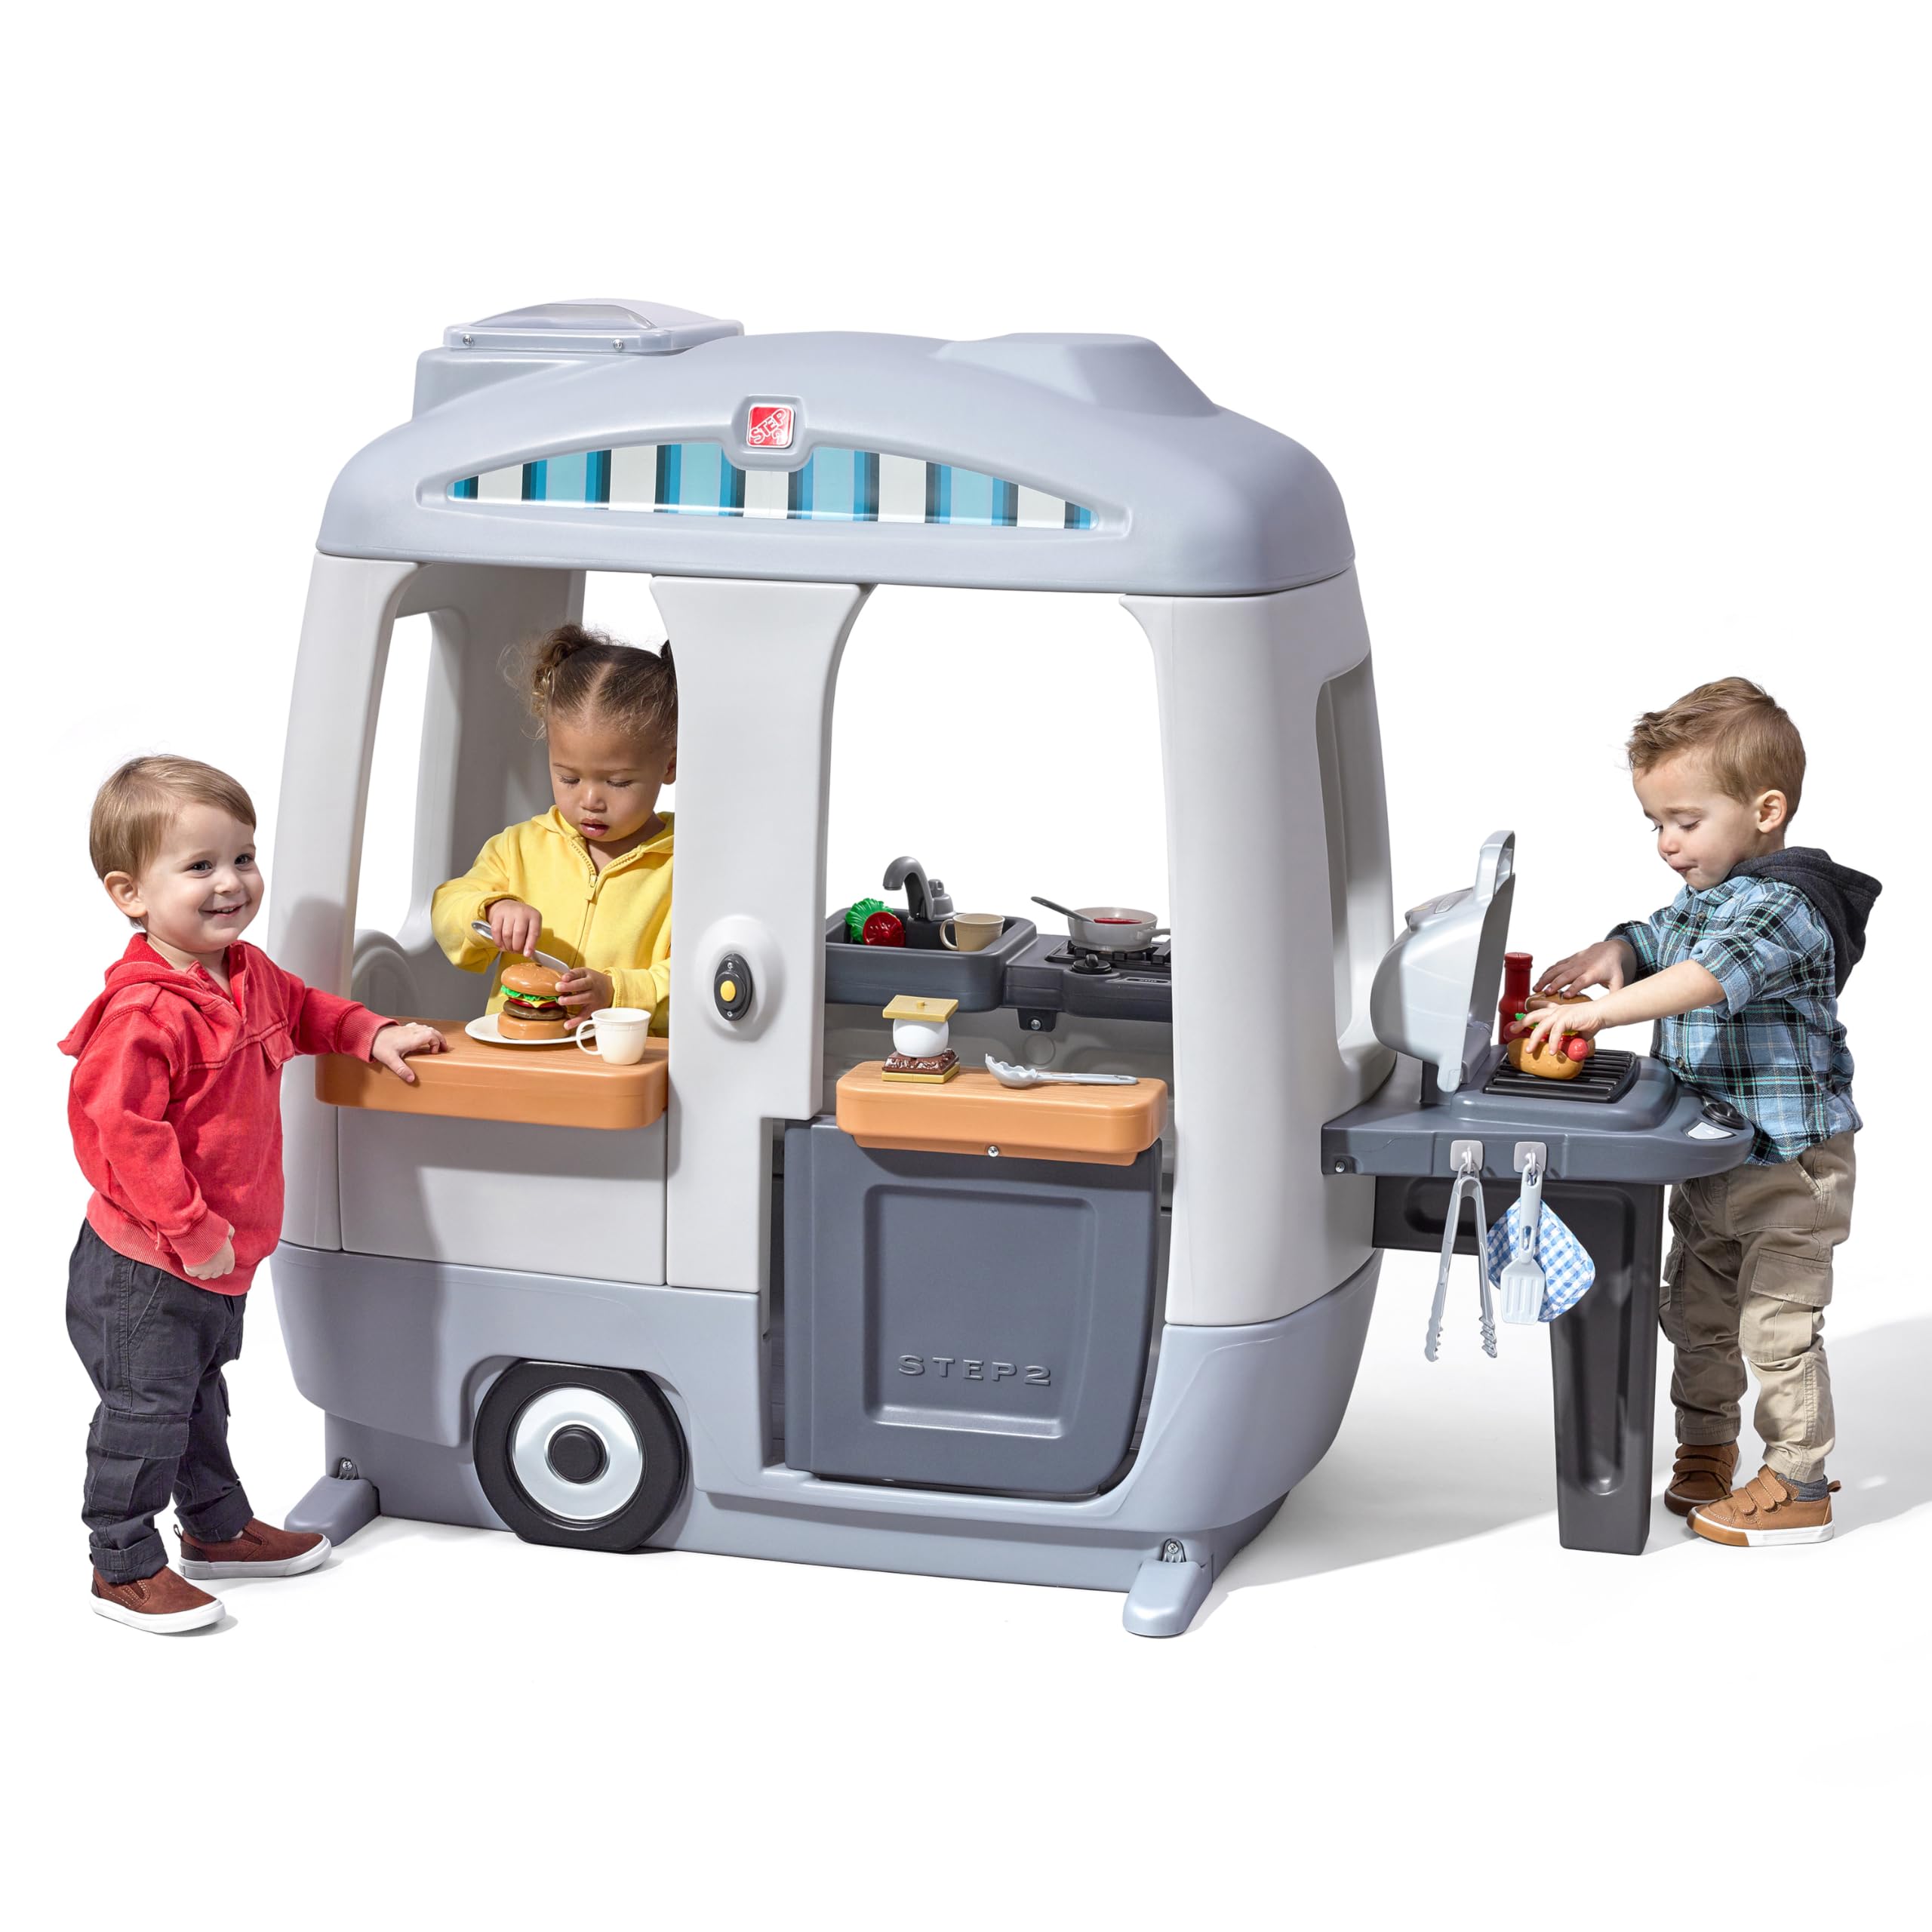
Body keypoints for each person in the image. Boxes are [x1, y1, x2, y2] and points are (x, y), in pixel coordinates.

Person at [63, 755, 446, 1631]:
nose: (231, 882)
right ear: (129, 893)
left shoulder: (245, 972)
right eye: (199, 866)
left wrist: (370, 1031)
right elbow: (121, 1136)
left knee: (200, 1400)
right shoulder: (143, 1014)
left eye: (243, 856)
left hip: (219, 1260)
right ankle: (122, 1563)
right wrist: (192, 1228)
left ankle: (216, 1527)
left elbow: (307, 1011)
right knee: (145, 1415)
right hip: (146, 1269)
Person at [1521, 678, 1878, 1547]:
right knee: (1695, 1313)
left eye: (1684, 820)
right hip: (1712, 1158)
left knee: (1776, 1325)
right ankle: (1707, 1448)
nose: (1666, 843)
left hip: (1789, 1167)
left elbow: (1708, 973)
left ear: (1765, 810)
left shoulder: (1790, 905)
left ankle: (1797, 1482)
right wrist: (1615, 950)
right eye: (1654, 823)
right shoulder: (1715, 892)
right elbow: (1665, 938)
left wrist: (1602, 1016)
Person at [432, 625, 675, 1032]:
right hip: (520, 1057)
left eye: (618, 782)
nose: (590, 800)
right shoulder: (519, 848)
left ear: (669, 765)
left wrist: (617, 992)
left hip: (625, 1062)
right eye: (568, 778)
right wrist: (491, 908)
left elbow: (698, 977)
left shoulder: (684, 867)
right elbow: (447, 908)